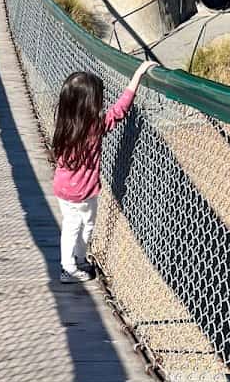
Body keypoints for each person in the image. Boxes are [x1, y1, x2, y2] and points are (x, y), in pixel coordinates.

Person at [52, 60, 156, 284]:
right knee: (83, 224)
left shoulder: (64, 124)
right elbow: (119, 111)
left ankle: (75, 261)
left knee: (72, 224)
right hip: (84, 192)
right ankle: (70, 266)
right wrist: (138, 74)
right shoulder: (94, 128)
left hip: (62, 189)